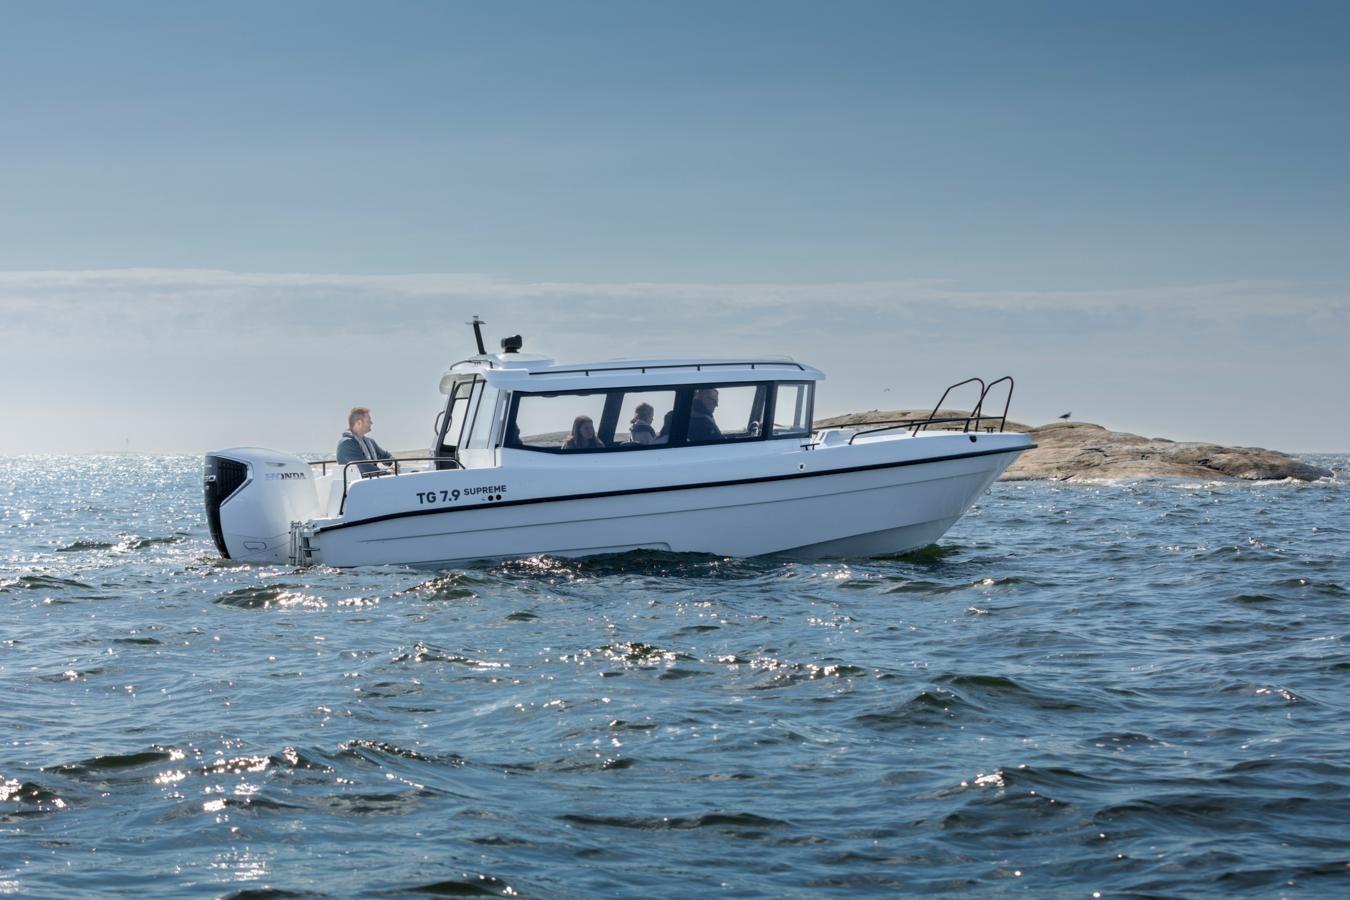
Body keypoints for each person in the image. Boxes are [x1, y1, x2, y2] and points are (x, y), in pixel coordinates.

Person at [337, 406, 395, 476]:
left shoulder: (370, 442)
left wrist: (394, 465)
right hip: (356, 482)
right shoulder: (346, 443)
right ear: (359, 423)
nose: (371, 423)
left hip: (370, 480)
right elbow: (364, 468)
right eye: (368, 421)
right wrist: (387, 472)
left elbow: (386, 456)